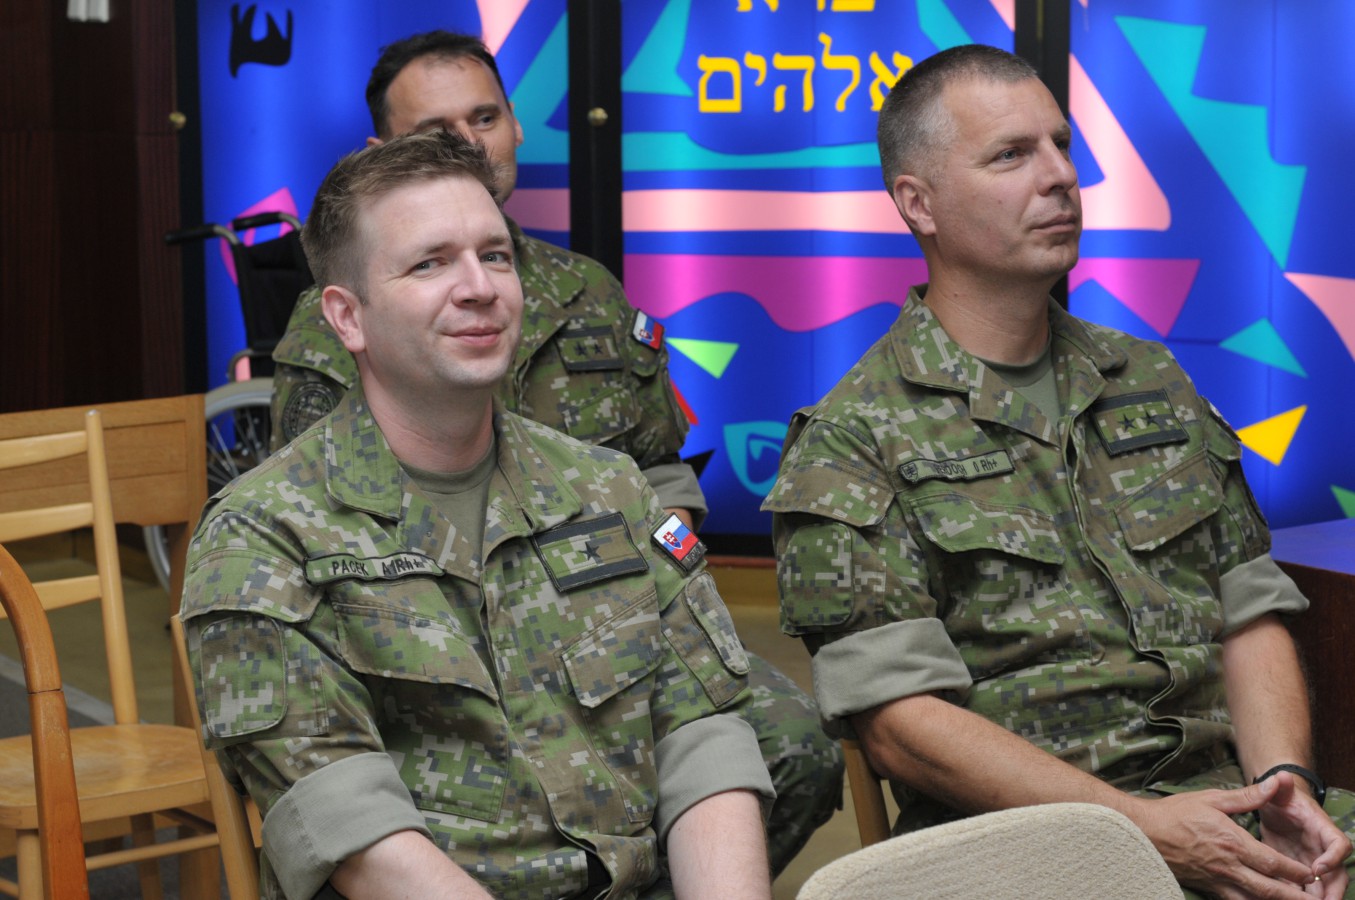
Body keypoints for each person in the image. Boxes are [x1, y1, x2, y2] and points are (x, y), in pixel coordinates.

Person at [763, 43, 1355, 899]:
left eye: (1060, 145)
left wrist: (1283, 789)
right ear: (917, 203)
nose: (1060, 177)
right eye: (1010, 155)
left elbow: (1247, 612)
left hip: (1227, 804)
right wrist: (1138, 829)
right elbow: (900, 726)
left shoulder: (1148, 377)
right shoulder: (853, 440)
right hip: (1025, 848)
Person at [268, 29, 842, 875]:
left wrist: (647, 594)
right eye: (435, 129)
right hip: (433, 640)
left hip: (611, 615)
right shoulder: (341, 330)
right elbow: (315, 524)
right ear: (382, 151)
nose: (468, 143)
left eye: (484, 117)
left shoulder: (587, 293)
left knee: (787, 744)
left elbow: (659, 471)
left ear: (515, 126)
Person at [181, 130, 775, 899]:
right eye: (429, 263)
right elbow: (354, 833)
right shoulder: (266, 536)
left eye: (494, 255)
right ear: (347, 317)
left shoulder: (608, 488)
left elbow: (703, 736)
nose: (479, 287)